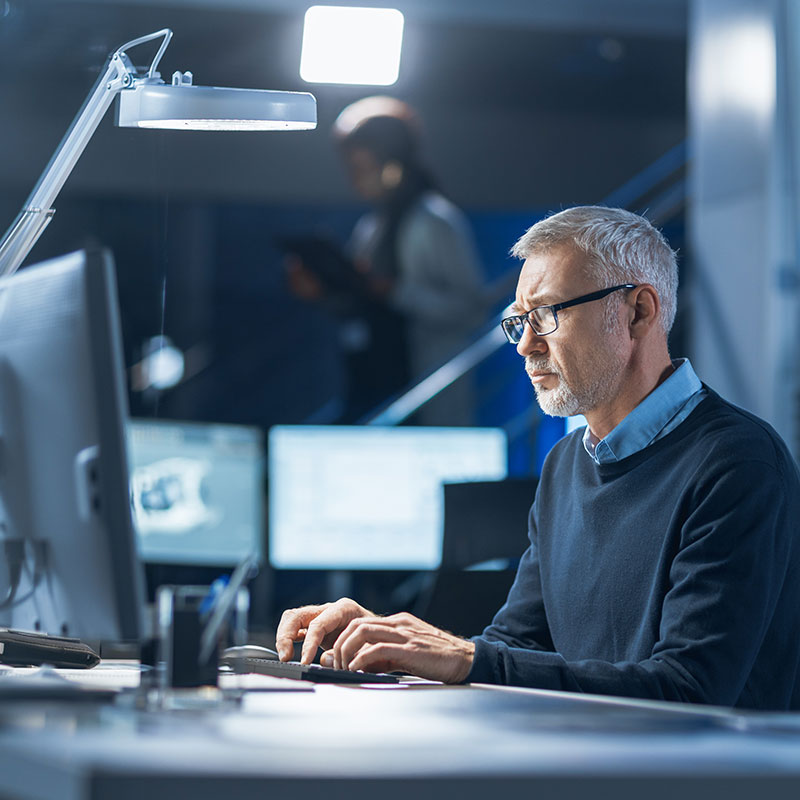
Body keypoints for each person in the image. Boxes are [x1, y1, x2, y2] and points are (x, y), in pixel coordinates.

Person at [276, 206, 800, 710]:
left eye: (546, 314)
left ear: (638, 312)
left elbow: (690, 691)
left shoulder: (737, 464)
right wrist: (392, 641)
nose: (525, 345)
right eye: (519, 320)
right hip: (589, 763)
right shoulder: (567, 463)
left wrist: (464, 658)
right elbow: (514, 646)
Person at [286, 96, 485, 424]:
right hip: (374, 387)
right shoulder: (373, 226)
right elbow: (363, 302)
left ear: (392, 165)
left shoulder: (435, 221)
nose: (353, 179)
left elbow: (471, 310)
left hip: (421, 397)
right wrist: (322, 291)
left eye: (360, 168)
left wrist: (394, 291)